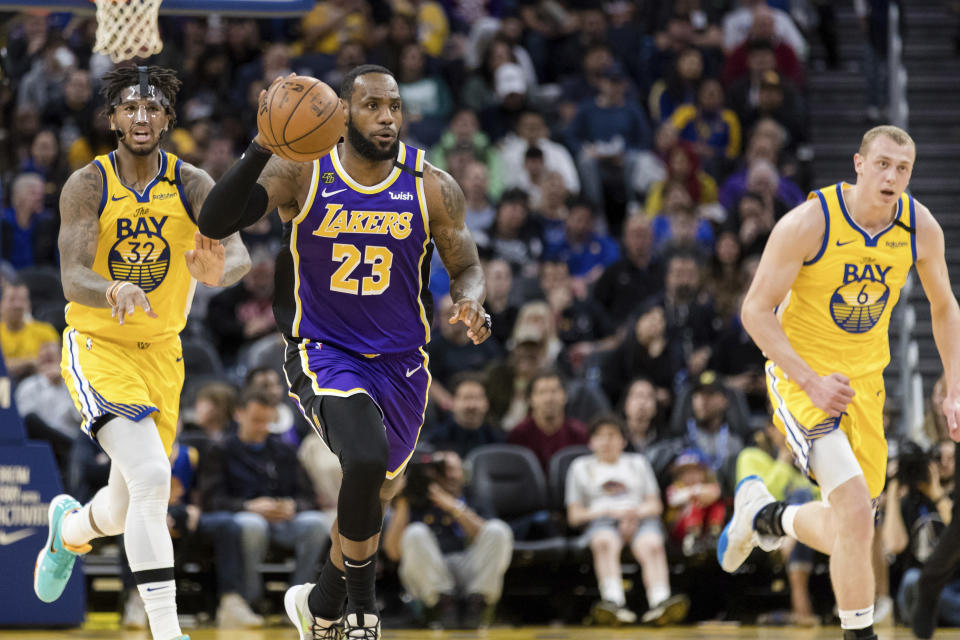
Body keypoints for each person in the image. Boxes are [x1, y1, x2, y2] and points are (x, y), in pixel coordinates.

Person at [198, 64, 492, 639]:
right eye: (373, 106)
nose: (387, 117)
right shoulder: (302, 174)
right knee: (361, 462)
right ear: (341, 114)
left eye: (394, 107)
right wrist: (262, 144)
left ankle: (322, 605)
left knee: (372, 490)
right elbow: (213, 219)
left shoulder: (432, 184)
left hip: (404, 364)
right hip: (324, 349)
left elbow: (468, 265)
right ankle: (363, 613)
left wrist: (472, 301)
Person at [31, 66, 251, 640]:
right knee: (155, 477)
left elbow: (240, 256)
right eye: (130, 107)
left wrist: (219, 270)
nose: (142, 117)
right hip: (98, 345)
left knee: (129, 506)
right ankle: (166, 631)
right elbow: (70, 273)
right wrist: (111, 287)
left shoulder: (194, 182)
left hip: (163, 354)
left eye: (152, 109)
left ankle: (70, 530)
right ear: (113, 119)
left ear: (168, 120)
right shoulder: (88, 183)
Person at [720, 125, 960, 640]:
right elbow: (755, 312)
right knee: (853, 508)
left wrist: (955, 386)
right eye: (882, 164)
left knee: (853, 526)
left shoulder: (920, 227)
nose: (892, 176)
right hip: (800, 377)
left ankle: (766, 516)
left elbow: (944, 308)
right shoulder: (809, 222)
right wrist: (808, 380)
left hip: (865, 384)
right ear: (858, 163)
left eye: (903, 169)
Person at [566, 416, 688, 626]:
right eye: (600, 436)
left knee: (652, 544)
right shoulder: (580, 467)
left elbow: (655, 505)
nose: (606, 441)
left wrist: (633, 515)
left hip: (639, 518)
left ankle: (660, 602)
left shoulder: (637, 463)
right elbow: (574, 515)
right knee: (604, 542)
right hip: (601, 521)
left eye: (612, 435)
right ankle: (614, 603)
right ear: (591, 442)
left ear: (623, 440)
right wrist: (607, 512)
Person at [382, 450, 513, 629]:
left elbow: (491, 539)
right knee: (415, 532)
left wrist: (455, 507)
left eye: (452, 469)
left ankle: (478, 603)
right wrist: (404, 499)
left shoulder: (474, 496)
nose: (448, 475)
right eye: (441, 469)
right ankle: (442, 605)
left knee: (498, 529)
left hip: (469, 567)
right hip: (433, 575)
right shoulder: (416, 501)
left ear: (463, 473)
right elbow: (393, 553)